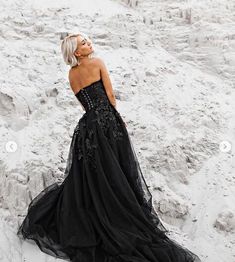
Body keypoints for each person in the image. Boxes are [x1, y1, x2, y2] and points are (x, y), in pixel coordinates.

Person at [17, 32, 201, 262]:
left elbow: (84, 104)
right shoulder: (97, 63)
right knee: (116, 172)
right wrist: (115, 119)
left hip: (86, 128)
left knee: (93, 177)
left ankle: (94, 216)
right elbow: (110, 97)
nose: (89, 43)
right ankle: (117, 217)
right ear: (76, 51)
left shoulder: (71, 75)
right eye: (84, 43)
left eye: (87, 40)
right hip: (107, 122)